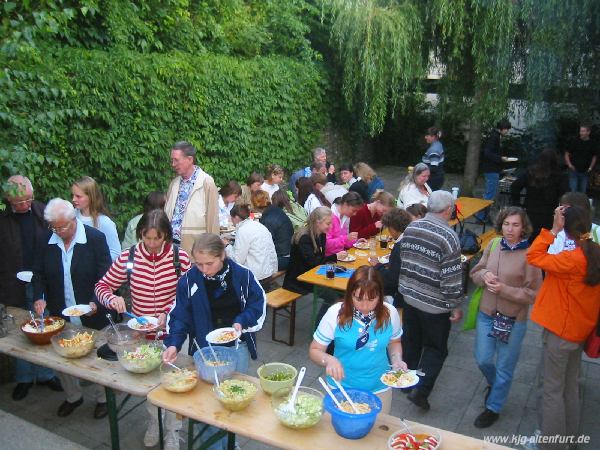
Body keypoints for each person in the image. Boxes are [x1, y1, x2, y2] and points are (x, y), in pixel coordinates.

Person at [95, 209, 190, 449]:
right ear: (140, 235)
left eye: (157, 238)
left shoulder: (181, 258)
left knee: (173, 382)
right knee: (149, 384)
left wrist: (167, 310)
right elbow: (102, 285)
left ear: (167, 235)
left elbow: (189, 294)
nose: (151, 244)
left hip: (174, 332)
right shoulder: (129, 257)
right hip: (142, 334)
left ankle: (172, 431)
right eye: (146, 238)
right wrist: (111, 299)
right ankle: (153, 422)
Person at [163, 233, 267, 450]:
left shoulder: (242, 276)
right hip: (204, 351)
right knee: (206, 407)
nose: (203, 269)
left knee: (232, 402)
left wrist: (241, 322)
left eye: (209, 263)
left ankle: (230, 442)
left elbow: (258, 305)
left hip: (236, 350)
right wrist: (173, 343)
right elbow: (180, 315)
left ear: (222, 256)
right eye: (198, 264)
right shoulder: (189, 280)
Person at [527, 205, 600, 450]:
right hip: (579, 331)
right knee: (570, 388)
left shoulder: (572, 259)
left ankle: (551, 445)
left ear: (566, 229)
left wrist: (552, 229)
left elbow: (534, 257)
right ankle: (568, 440)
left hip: (560, 331)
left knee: (552, 391)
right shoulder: (594, 253)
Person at [32, 198, 113, 419]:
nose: (58, 231)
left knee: (97, 359)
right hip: (62, 310)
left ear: (73, 219)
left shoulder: (94, 239)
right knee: (63, 357)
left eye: (62, 226)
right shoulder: (46, 240)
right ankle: (73, 396)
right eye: (54, 227)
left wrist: (96, 301)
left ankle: (103, 399)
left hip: (92, 312)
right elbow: (37, 273)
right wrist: (39, 297)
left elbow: (106, 276)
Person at [469, 207, 542, 428]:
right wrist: (484, 275)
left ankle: (494, 407)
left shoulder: (531, 255)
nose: (510, 229)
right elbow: (475, 272)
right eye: (506, 224)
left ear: (524, 228)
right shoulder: (493, 245)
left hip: (512, 319)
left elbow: (533, 294)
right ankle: (495, 384)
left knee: (504, 367)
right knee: (482, 358)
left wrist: (504, 289)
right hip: (487, 313)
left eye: (515, 225)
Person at [398, 190, 463, 410]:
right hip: (434, 305)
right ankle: (422, 389)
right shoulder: (449, 237)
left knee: (412, 342)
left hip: (409, 296)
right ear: (448, 210)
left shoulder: (412, 227)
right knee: (436, 349)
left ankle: (407, 382)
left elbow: (403, 259)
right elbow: (451, 278)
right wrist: (455, 305)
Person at [309, 266, 406, 414]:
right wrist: (329, 360)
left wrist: (396, 359)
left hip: (379, 387)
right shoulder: (335, 313)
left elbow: (395, 342)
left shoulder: (390, 313)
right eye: (358, 298)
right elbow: (315, 350)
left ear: (380, 296)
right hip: (341, 387)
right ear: (349, 294)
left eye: (372, 299)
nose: (365, 306)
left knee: (376, 433)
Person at [0, 176, 62, 400]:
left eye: (28, 199)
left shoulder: (43, 213)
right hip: (12, 283)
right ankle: (24, 378)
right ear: (8, 200)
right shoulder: (3, 218)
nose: (25, 205)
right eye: (19, 203)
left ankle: (46, 374)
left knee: (44, 326)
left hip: (40, 280)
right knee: (20, 330)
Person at [283, 207, 347, 323]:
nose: (331, 226)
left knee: (342, 290)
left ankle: (333, 322)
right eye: (328, 223)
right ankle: (319, 326)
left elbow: (319, 260)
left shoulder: (320, 234)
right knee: (333, 296)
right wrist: (335, 257)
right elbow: (314, 262)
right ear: (318, 222)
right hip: (299, 280)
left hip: (314, 274)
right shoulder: (304, 237)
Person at [165, 141, 219, 256]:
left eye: (176, 160)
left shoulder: (206, 183)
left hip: (195, 251)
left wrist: (213, 251)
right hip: (170, 249)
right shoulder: (174, 183)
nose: (173, 164)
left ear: (190, 159)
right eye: (172, 160)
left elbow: (212, 220)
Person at [510, 149, 569, 242]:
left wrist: (517, 205)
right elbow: (566, 194)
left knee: (529, 239)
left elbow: (515, 186)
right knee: (546, 241)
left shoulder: (531, 172)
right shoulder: (560, 176)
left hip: (531, 211)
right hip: (549, 213)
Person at [369, 208, 412, 308]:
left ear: (393, 228)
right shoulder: (411, 238)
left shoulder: (399, 247)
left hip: (400, 296)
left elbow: (391, 280)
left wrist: (378, 266)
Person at [71, 176, 120, 261]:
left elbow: (115, 252)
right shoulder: (70, 216)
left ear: (91, 197)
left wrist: (96, 264)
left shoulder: (105, 222)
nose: (73, 199)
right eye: (73, 195)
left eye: (78, 196)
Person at [224, 204, 278, 281]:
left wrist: (227, 245)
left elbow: (237, 260)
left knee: (227, 273)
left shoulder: (243, 230)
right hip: (268, 271)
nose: (231, 220)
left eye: (231, 218)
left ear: (236, 217)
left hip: (257, 276)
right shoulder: (259, 225)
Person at [477, 118, 512, 222]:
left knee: (490, 193)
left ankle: (483, 216)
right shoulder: (494, 137)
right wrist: (500, 158)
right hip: (491, 169)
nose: (507, 131)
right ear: (502, 128)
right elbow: (487, 153)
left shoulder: (496, 136)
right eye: (507, 129)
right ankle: (481, 217)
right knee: (490, 194)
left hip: (493, 169)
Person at [260, 190, 294, 271]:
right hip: (289, 254)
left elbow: (265, 243)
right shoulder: (277, 212)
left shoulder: (269, 218)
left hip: (282, 258)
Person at [325, 192, 364, 256]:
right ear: (345, 204)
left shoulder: (346, 217)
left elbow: (344, 241)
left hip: (341, 255)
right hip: (331, 258)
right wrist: (346, 238)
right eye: (353, 210)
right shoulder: (329, 217)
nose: (355, 214)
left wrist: (356, 242)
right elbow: (327, 245)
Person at [564, 123, 597, 193]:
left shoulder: (593, 143)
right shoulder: (574, 141)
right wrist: (569, 165)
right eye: (580, 131)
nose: (581, 133)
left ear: (588, 132)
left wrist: (590, 167)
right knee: (573, 191)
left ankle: (581, 204)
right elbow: (567, 154)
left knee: (583, 192)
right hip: (574, 170)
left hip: (585, 171)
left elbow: (594, 156)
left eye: (583, 131)